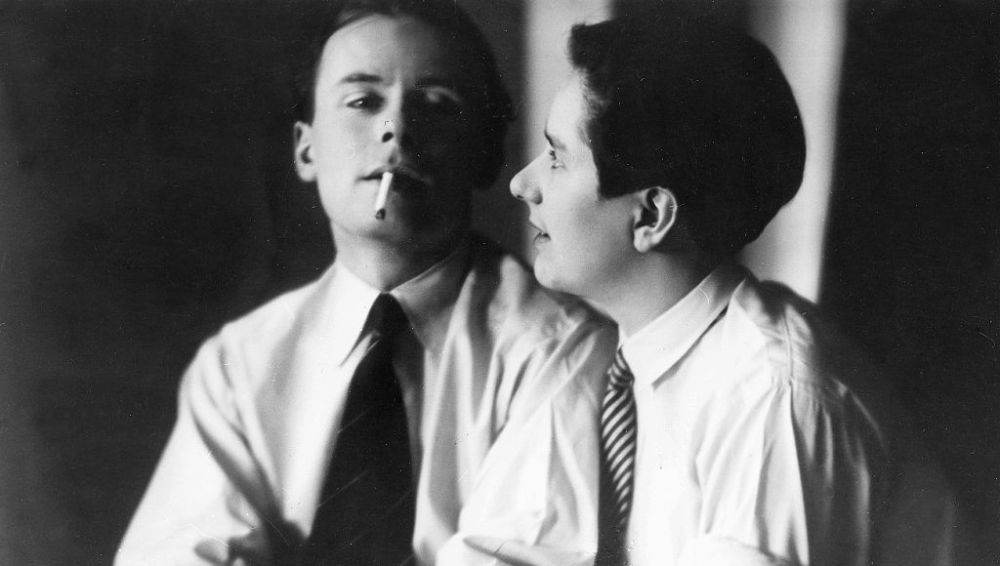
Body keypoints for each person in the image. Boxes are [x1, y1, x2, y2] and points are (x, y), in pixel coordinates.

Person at [115, 1, 616, 564]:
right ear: (306, 149)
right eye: (362, 102)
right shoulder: (240, 364)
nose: (395, 128)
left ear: (484, 153)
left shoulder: (555, 347)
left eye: (435, 104)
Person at [478, 11, 959, 566]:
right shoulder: (614, 360)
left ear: (652, 216)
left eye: (557, 157)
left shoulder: (774, 400)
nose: (523, 183)